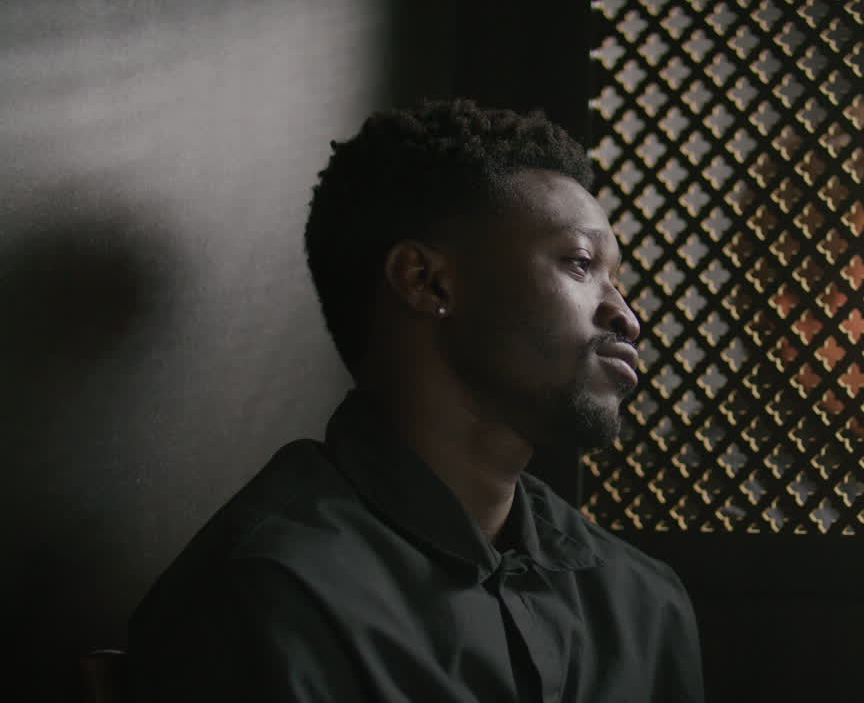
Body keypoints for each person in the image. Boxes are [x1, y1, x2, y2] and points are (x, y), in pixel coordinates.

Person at [129, 100, 704, 702]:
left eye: (617, 278)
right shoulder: (268, 590)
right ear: (426, 281)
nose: (627, 316)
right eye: (580, 264)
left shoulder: (640, 602)